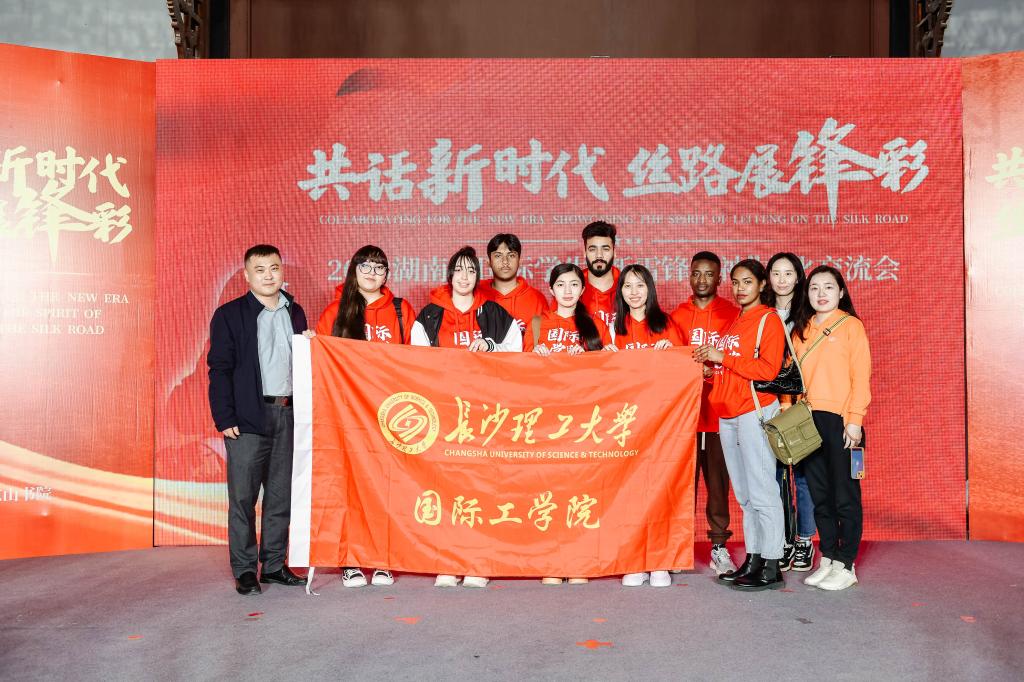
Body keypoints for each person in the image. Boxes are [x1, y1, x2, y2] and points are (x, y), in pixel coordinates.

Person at [411, 246, 521, 588]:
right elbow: (416, 365)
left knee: (482, 488)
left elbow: (518, 356)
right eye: (459, 270)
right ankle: (448, 560)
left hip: (484, 415)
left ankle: (478, 561)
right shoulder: (429, 316)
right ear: (449, 275)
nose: (464, 276)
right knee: (446, 488)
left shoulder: (494, 313)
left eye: (471, 270)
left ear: (478, 276)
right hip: (445, 416)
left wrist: (492, 347)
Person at [208, 244, 309, 596]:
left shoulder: (295, 312)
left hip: (288, 413)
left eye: (274, 268)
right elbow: (219, 369)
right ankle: (245, 569)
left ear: (282, 271)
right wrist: (224, 416)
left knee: (281, 496)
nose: (268, 276)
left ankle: (275, 565)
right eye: (260, 270)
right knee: (243, 498)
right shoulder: (230, 315)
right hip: (247, 416)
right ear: (247, 275)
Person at [313, 245, 415, 588]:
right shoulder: (336, 311)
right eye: (366, 267)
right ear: (353, 270)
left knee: (386, 488)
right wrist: (312, 343)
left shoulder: (401, 310)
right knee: (351, 488)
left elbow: (417, 361)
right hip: (349, 415)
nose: (372, 274)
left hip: (389, 414)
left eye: (379, 268)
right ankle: (351, 559)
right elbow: (321, 363)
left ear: (387, 274)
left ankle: (383, 558)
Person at [693, 259, 786, 591]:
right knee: (745, 495)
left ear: (762, 284)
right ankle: (754, 558)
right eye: (735, 282)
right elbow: (733, 368)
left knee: (763, 490)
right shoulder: (736, 320)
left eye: (747, 281)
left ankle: (772, 563)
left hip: (753, 411)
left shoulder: (768, 320)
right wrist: (712, 370)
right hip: (728, 414)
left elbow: (768, 370)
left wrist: (723, 358)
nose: (740, 288)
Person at [789, 266, 871, 591]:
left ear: (841, 292)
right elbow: (793, 377)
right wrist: (789, 413)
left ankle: (846, 564)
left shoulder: (851, 326)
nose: (821, 294)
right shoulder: (801, 330)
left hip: (841, 421)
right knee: (819, 494)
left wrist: (855, 420)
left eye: (828, 287)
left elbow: (861, 375)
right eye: (814, 288)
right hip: (808, 421)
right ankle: (830, 557)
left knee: (845, 494)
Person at [608, 263, 682, 587]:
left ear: (650, 289)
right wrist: (606, 357)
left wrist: (673, 353)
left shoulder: (665, 324)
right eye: (627, 286)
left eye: (640, 285)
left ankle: (659, 560)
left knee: (660, 490)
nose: (634, 292)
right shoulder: (614, 327)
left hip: (662, 423)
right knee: (630, 493)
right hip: (627, 424)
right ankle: (635, 560)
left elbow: (686, 371)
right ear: (620, 292)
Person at [670, 252, 740, 576]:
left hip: (720, 414)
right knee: (681, 485)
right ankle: (677, 547)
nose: (701, 280)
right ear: (689, 276)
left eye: (709, 274)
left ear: (719, 278)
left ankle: (719, 547)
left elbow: (738, 358)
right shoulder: (677, 316)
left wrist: (714, 370)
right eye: (696, 273)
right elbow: (669, 362)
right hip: (685, 417)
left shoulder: (732, 314)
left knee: (718, 485)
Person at [763, 252, 816, 572]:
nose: (782, 280)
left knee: (804, 476)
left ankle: (804, 539)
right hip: (769, 405)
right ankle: (782, 540)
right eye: (776, 273)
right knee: (775, 478)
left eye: (788, 273)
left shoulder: (810, 313)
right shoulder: (761, 313)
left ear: (798, 277)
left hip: (801, 406)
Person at [524, 263, 613, 356]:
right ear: (551, 290)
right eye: (560, 285)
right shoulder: (536, 324)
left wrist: (587, 357)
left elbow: (607, 362)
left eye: (574, 284)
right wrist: (535, 355)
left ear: (582, 290)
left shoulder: (597, 325)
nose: (567, 291)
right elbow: (525, 362)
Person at [479, 233, 549, 335]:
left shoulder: (537, 299)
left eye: (511, 255)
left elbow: (544, 338)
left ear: (520, 261)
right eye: (498, 256)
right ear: (488, 262)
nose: (505, 261)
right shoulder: (476, 293)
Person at [579, 221, 619, 328]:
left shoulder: (627, 285)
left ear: (614, 252)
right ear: (584, 252)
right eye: (592, 249)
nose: (599, 255)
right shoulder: (571, 287)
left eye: (605, 249)